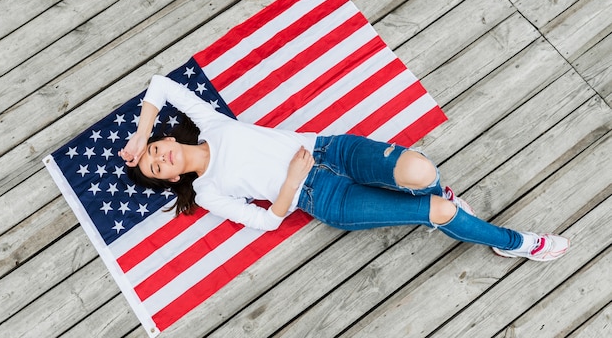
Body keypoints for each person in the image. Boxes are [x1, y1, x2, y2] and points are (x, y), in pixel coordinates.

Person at [119, 75, 570, 262]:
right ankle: (516, 243)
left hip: (332, 151)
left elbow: (160, 84)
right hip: (324, 198)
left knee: (422, 171)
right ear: (172, 179)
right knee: (442, 213)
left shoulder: (211, 127)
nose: (160, 158)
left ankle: (434, 197)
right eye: (158, 169)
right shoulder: (207, 191)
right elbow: (265, 221)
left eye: (156, 150)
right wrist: (291, 184)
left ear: (167, 139)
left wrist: (138, 135)